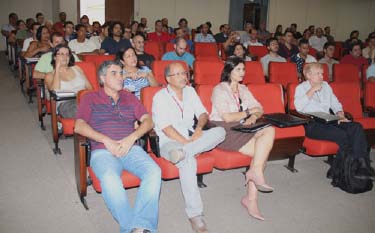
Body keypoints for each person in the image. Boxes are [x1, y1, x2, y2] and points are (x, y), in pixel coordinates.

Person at [75, 60, 161, 233]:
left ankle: (142, 224)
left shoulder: (129, 97)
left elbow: (148, 121)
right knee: (110, 179)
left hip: (131, 148)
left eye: (121, 73)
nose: (120, 77)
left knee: (154, 171)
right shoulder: (89, 97)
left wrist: (132, 138)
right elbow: (79, 126)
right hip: (103, 150)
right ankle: (133, 228)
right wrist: (106, 140)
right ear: (102, 78)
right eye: (114, 73)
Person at [152, 62, 225, 233]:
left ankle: (184, 153)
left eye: (184, 73)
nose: (183, 77)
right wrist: (186, 143)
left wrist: (199, 129)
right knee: (188, 162)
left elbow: (202, 114)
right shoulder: (160, 97)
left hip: (191, 138)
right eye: (177, 74)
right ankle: (195, 215)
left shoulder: (190, 91)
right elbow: (166, 129)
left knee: (220, 132)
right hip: (168, 141)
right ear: (168, 79)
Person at [210, 57, 275, 221]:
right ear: (229, 70)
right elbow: (226, 117)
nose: (242, 73)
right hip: (224, 129)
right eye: (238, 69)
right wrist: (248, 112)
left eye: (243, 69)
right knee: (261, 152)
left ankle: (254, 173)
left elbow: (259, 108)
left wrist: (253, 117)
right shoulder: (219, 89)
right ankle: (251, 199)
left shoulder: (243, 89)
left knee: (269, 130)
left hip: (243, 126)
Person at [294, 62, 373, 180]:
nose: (322, 76)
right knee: (343, 135)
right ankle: (341, 169)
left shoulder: (326, 85)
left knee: (356, 127)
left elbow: (335, 102)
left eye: (322, 73)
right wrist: (311, 90)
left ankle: (362, 166)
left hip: (330, 120)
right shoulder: (301, 88)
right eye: (318, 74)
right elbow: (298, 107)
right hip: (312, 124)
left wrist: (339, 113)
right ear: (308, 75)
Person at [44, 44, 92, 118]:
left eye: (67, 54)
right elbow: (55, 92)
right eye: (61, 54)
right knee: (80, 111)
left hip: (83, 100)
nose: (65, 57)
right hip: (66, 104)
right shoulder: (49, 75)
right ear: (54, 57)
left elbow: (90, 88)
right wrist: (57, 69)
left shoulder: (77, 69)